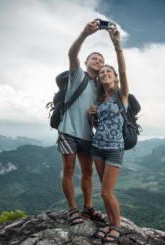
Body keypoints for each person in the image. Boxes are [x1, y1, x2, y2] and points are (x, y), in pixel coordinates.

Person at [57, 19, 106, 226]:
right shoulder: (78, 75)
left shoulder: (100, 87)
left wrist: (97, 111)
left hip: (87, 134)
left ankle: (88, 207)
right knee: (68, 171)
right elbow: (71, 54)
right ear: (86, 62)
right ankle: (72, 209)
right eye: (94, 58)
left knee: (88, 173)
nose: (98, 61)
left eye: (101, 60)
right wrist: (84, 34)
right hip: (68, 130)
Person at [87, 25, 128, 243]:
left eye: (108, 72)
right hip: (98, 149)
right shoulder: (99, 101)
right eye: (102, 72)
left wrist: (117, 44)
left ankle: (116, 226)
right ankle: (110, 223)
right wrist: (92, 114)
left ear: (113, 77)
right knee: (104, 190)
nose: (104, 73)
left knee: (106, 192)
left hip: (114, 150)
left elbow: (123, 70)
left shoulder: (121, 95)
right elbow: (97, 126)